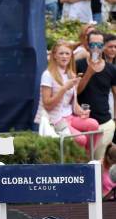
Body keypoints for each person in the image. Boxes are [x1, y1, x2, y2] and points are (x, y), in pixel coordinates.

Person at [36, 41, 100, 148]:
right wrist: (64, 88)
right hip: (54, 119)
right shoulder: (47, 75)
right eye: (61, 53)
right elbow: (47, 105)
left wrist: (81, 111)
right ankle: (79, 160)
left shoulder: (71, 74)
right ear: (55, 56)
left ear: (71, 56)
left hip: (69, 116)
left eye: (67, 53)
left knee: (94, 124)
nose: (64, 56)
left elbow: (72, 103)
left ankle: (87, 158)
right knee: (81, 139)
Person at [77, 31, 116, 160]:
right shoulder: (79, 64)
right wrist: (88, 73)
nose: (96, 48)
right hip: (83, 124)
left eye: (99, 45)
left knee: (98, 164)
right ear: (87, 46)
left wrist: (114, 120)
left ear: (103, 47)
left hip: (105, 123)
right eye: (93, 44)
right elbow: (75, 92)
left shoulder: (111, 69)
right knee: (83, 161)